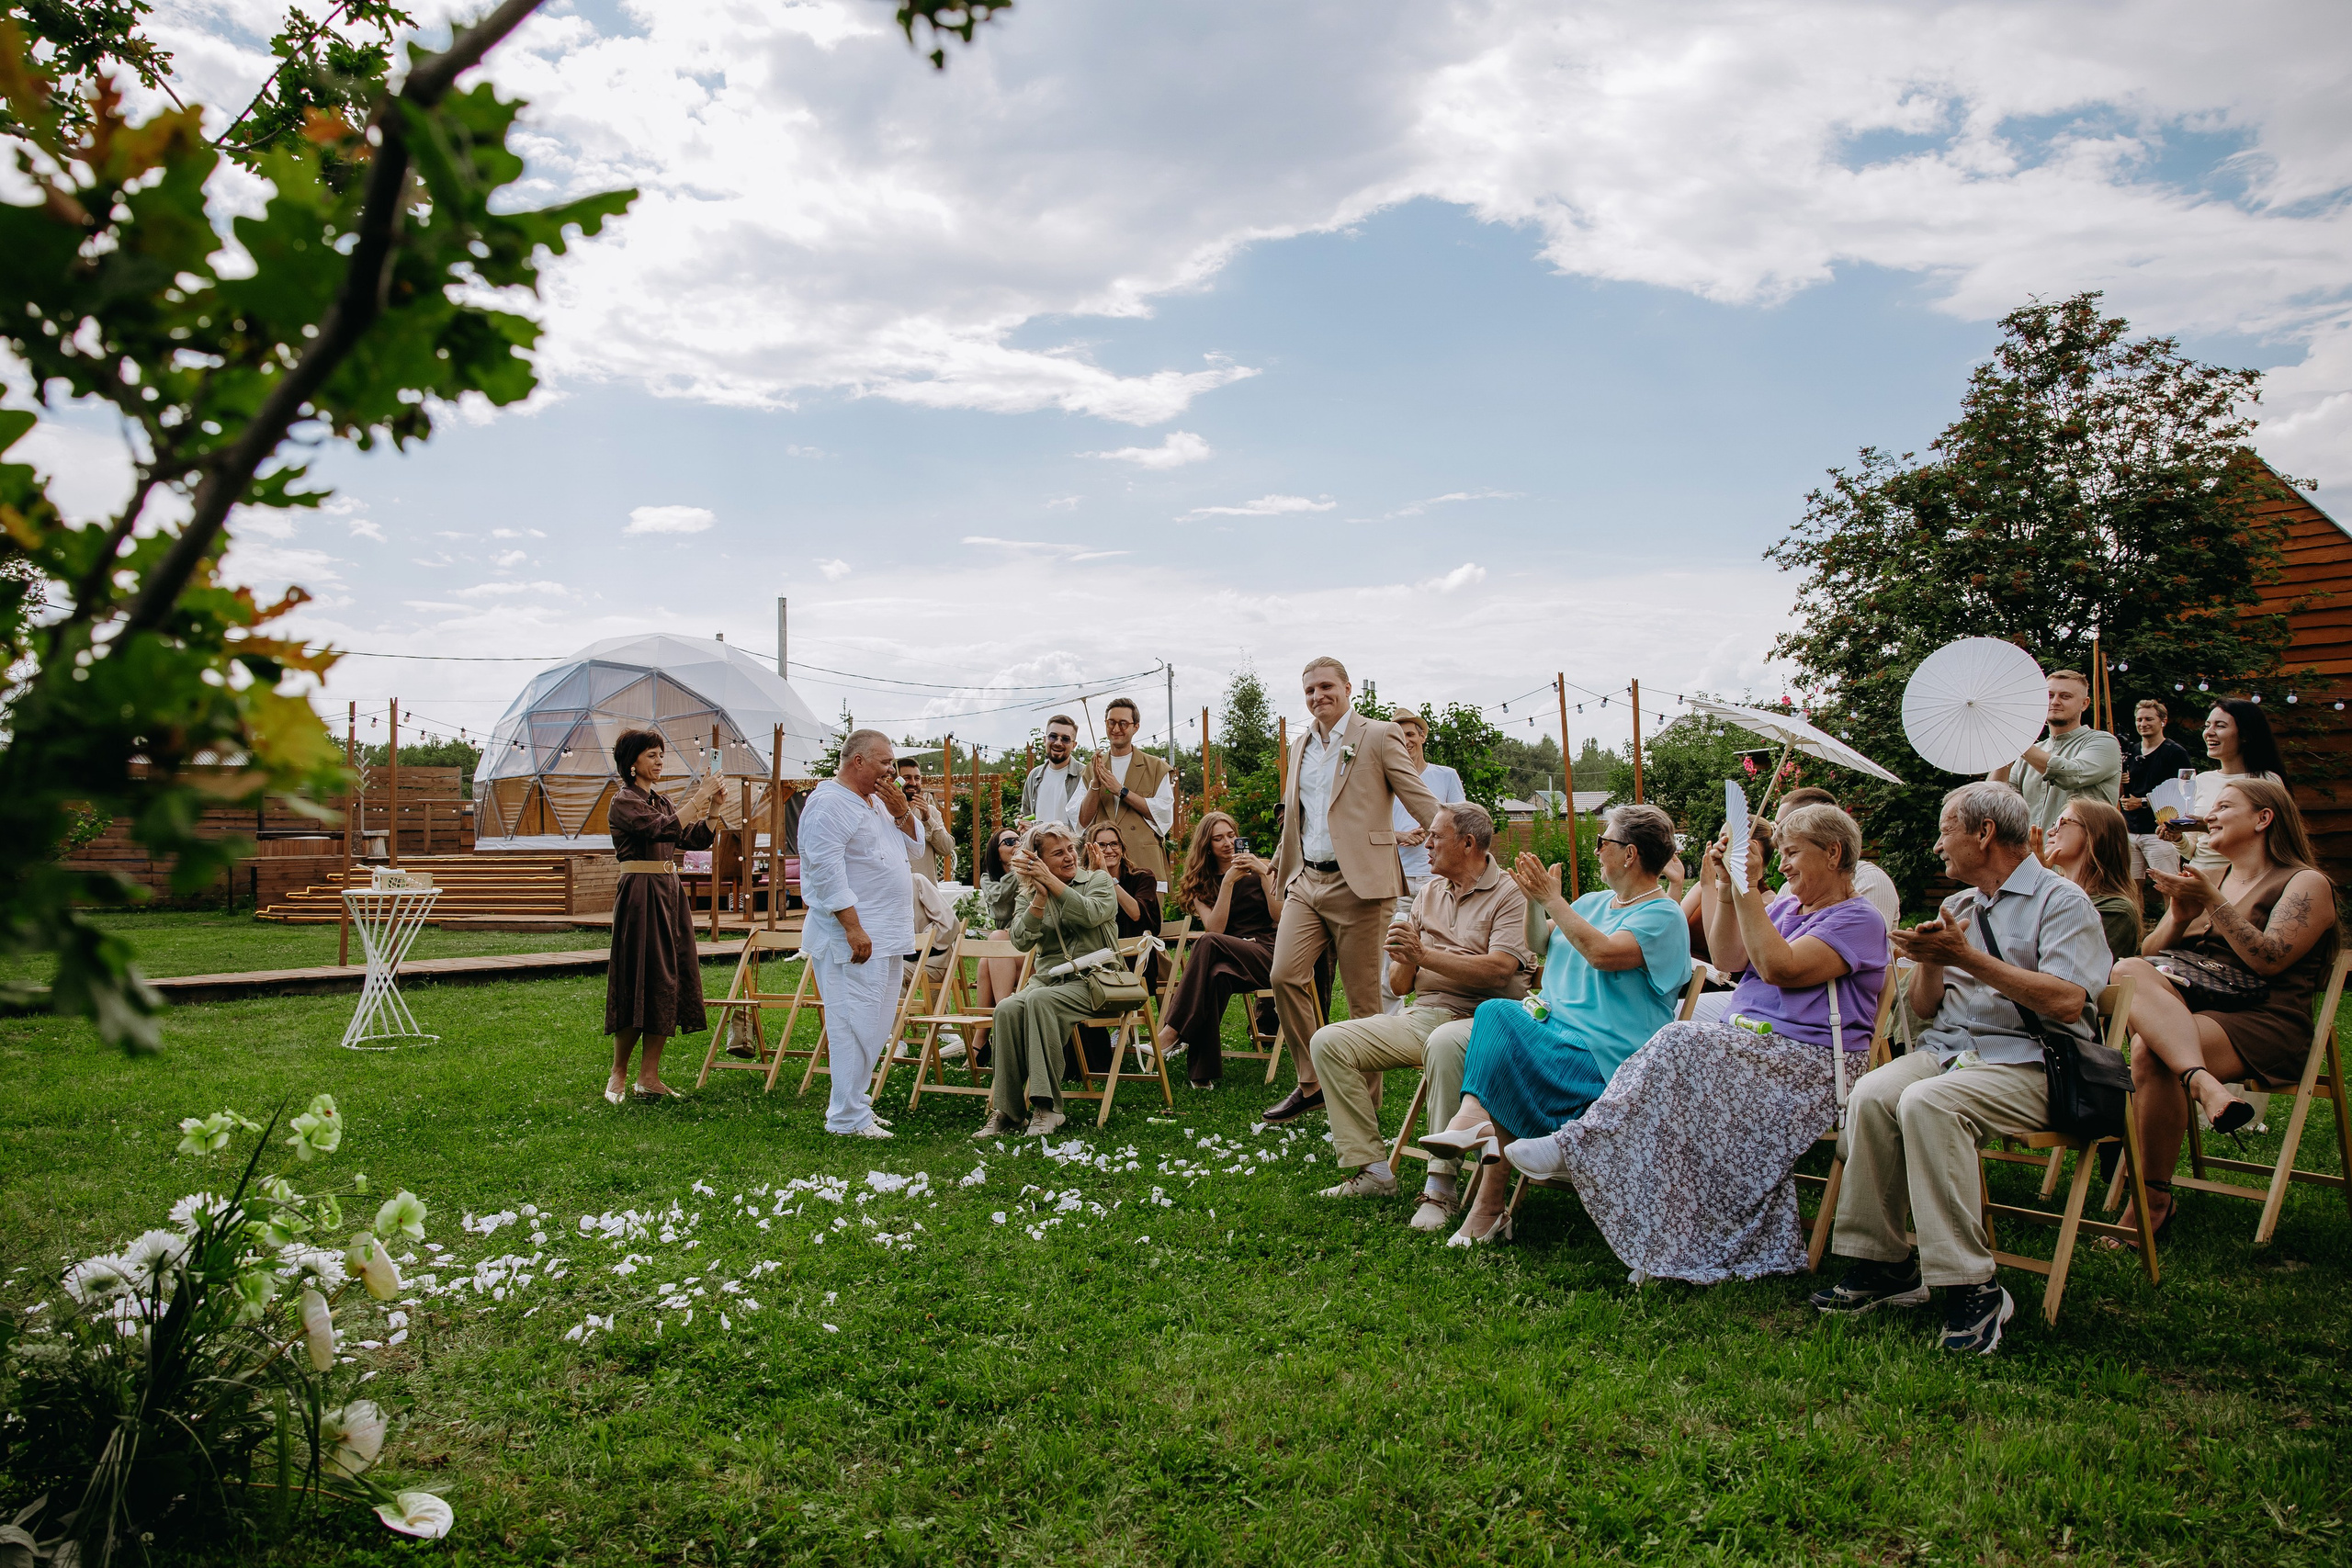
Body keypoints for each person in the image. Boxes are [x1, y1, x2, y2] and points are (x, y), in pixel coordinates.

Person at [1510, 803, 1889, 1281]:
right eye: (1782, 853)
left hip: (1805, 1067)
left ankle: (1581, 1145)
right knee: (1676, 1076)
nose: (1784, 863)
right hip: (1754, 1053)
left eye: (1792, 853)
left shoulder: (1859, 920)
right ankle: (1662, 1240)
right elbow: (1730, 956)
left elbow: (1780, 968)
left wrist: (1748, 887)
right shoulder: (1790, 906)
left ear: (1833, 854)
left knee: (1679, 1041)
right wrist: (1728, 890)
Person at [1811, 781, 2110, 1356]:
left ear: (1984, 833)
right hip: (1952, 1053)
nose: (1937, 845)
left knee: (1928, 1102)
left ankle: (1974, 1286)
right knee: (1872, 1093)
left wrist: (1968, 958)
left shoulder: (2062, 902)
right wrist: (1929, 963)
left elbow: (2070, 1002)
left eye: (1946, 830)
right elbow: (1925, 1011)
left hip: (2032, 1062)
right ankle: (1885, 1264)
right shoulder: (1964, 908)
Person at [1421, 805, 1692, 1247]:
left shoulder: (1663, 916)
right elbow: (1539, 942)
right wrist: (1533, 900)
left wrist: (1552, 900)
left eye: (1603, 842)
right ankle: (1481, 1169)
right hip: (1554, 1041)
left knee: (1498, 1017)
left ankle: (1484, 1180)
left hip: (1608, 1064)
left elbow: (1603, 954)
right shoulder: (1592, 903)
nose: (1597, 850)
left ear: (1630, 854)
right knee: (1497, 1014)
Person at [2110, 778, 2337, 1243]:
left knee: (2150, 1051)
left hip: (2266, 1020)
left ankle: (2151, 1202)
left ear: (2263, 818)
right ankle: (2202, 1083)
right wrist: (2177, 914)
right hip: (2196, 1012)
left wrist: (2213, 903)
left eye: (2223, 806)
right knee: (2129, 969)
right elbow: (2149, 954)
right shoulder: (2217, 879)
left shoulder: (2305, 883)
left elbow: (2270, 957)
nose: (2209, 815)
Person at [1304, 805, 1534, 1225]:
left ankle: (1440, 1188)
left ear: (1468, 843)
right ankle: (1372, 1170)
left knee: (1444, 1045)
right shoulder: (1427, 894)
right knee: (1329, 1041)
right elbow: (1399, 986)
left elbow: (1502, 969)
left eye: (1435, 837)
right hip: (1425, 1013)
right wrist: (1405, 954)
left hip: (1488, 1019)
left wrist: (1425, 953)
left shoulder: (1511, 894)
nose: (1425, 844)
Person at [1262, 657, 1442, 1123]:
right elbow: (1295, 816)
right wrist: (1280, 869)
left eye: (1326, 687)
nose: (1317, 696)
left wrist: (1461, 845)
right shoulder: (1300, 745)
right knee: (1284, 975)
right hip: (1307, 880)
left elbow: (1417, 798)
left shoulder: (1379, 735)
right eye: (1309, 690)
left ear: (1346, 688)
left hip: (1361, 884)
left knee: (1364, 1004)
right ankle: (1312, 1083)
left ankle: (1364, 1107)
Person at [797, 729, 922, 1138]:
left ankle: (857, 1105)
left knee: (874, 1023)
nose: (893, 770)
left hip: (888, 932)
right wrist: (852, 926)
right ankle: (846, 1117)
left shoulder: (881, 802)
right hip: (853, 935)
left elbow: (917, 850)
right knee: (851, 1022)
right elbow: (824, 869)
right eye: (886, 762)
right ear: (859, 762)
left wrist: (902, 811)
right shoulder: (828, 804)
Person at [972, 821, 1123, 1140]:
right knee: (1008, 1008)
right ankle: (1008, 1111)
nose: (1069, 856)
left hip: (1097, 979)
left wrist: (1052, 884)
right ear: (1038, 860)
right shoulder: (1031, 895)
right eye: (1058, 853)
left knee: (1039, 1001)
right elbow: (1021, 940)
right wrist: (1040, 897)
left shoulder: (1098, 879)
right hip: (1049, 981)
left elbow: (1092, 914)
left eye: (1071, 849)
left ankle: (1047, 1107)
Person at [603, 729, 727, 1103]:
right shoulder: (623, 801)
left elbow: (692, 838)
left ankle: (650, 1076)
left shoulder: (662, 800)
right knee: (636, 977)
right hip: (640, 894)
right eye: (652, 755)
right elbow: (661, 829)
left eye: (661, 755)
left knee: (668, 979)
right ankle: (618, 1074)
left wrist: (715, 807)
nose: (659, 761)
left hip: (669, 895)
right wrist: (700, 796)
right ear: (632, 763)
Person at [1150, 811, 1292, 1088]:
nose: (1228, 843)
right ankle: (1202, 1074)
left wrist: (1264, 872)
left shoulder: (1263, 868)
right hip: (1229, 959)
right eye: (1218, 838)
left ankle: (1172, 1032)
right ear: (1207, 846)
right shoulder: (1198, 884)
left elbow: (1279, 916)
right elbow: (1216, 928)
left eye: (1231, 835)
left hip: (1268, 954)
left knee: (1206, 942)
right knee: (1216, 975)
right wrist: (1227, 882)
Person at [1381, 707, 1467, 1015]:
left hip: (1438, 879)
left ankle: (1440, 1014)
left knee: (1441, 949)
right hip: (1396, 878)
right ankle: (1391, 1027)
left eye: (1410, 734)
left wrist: (1435, 836)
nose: (1405, 741)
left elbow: (1462, 821)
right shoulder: (1381, 778)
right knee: (1393, 951)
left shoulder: (1444, 776)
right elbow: (1368, 828)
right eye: (1398, 735)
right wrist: (1400, 835)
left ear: (1422, 736)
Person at [2163, 699, 2287, 881]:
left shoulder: (2266, 781)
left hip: (2245, 880)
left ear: (2244, 735)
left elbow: (2274, 839)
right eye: (2207, 726)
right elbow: (2190, 851)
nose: (2209, 733)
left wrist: (2206, 826)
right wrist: (2176, 837)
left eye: (2220, 726)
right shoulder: (2201, 780)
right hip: (2199, 876)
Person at [1074, 822, 1165, 1072]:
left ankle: (1097, 1057)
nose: (1109, 849)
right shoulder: (1081, 881)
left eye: (1114, 843)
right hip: (1094, 961)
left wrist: (1108, 879)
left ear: (1122, 847)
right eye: (1101, 845)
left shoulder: (1141, 877)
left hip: (1134, 965)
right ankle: (1085, 1058)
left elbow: (1137, 914)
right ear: (1090, 850)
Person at [1989, 669, 2121, 834]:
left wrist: (2019, 742)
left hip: (2083, 857)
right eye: (2049, 696)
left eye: (2065, 696)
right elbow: (1994, 802)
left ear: (2085, 704)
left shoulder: (2103, 742)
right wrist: (2004, 753)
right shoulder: (2030, 753)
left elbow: (2071, 775)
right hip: (2032, 856)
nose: (2055, 702)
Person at [1079, 697, 1175, 883]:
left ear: (1135, 727)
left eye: (1123, 723)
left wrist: (1121, 791)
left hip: (1144, 864)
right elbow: (1082, 820)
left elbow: (1163, 815)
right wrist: (1095, 785)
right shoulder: (1091, 769)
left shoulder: (1156, 767)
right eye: (1111, 722)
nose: (1116, 729)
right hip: (1103, 866)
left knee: (1145, 912)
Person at [2044, 799, 2143, 964]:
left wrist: (2039, 893)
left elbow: (2064, 968)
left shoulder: (2115, 910)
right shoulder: (2052, 891)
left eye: (2062, 823)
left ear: (2095, 834)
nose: (2050, 831)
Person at [2117, 698, 2193, 883]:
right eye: (2139, 719)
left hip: (2161, 832)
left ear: (2163, 721)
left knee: (2169, 885)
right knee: (2133, 887)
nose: (2143, 724)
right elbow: (2120, 792)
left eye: (2149, 719)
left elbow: (2188, 790)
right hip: (2130, 831)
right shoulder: (2130, 751)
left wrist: (2142, 802)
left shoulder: (2176, 752)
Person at [973, 826, 1028, 1010]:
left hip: (1029, 946)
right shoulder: (988, 880)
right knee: (986, 960)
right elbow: (1000, 897)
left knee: (995, 943)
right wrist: (1018, 867)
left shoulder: (1033, 873)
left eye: (1019, 840)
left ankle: (997, 1024)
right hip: (1008, 948)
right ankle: (989, 1031)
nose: (1017, 844)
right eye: (1010, 842)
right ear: (997, 854)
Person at [893, 757, 958, 881]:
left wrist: (928, 818)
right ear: (896, 780)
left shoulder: (931, 811)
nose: (913, 783)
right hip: (895, 891)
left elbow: (946, 849)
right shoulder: (884, 811)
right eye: (907, 778)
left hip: (925, 892)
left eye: (917, 778)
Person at [1018, 715, 1086, 829]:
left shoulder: (1084, 775)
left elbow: (1089, 824)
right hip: (1037, 846)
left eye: (1065, 739)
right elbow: (1026, 814)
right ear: (1045, 740)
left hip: (1074, 846)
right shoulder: (1034, 776)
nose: (1058, 743)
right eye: (1053, 736)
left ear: (1074, 745)